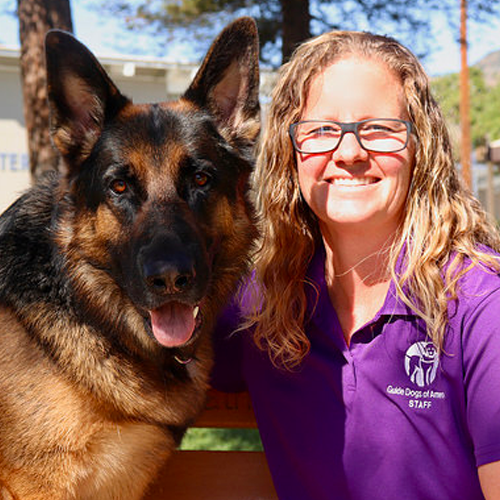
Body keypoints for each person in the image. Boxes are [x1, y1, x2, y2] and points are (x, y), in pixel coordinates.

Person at [211, 29, 500, 500]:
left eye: (379, 129)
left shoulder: (480, 305)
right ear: (292, 154)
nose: (349, 153)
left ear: (419, 149)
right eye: (322, 130)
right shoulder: (263, 305)